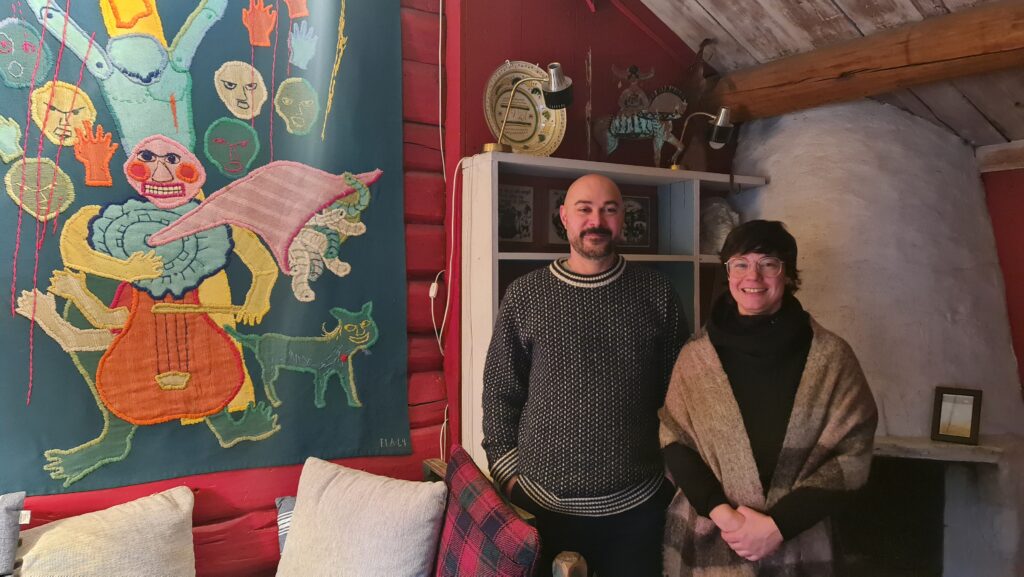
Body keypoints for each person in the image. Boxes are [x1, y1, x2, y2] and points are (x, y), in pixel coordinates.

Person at [482, 174, 686, 576]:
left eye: (609, 210)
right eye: (585, 209)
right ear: (564, 217)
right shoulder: (525, 295)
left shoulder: (658, 294)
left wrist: (670, 478)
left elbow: (678, 395)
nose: (597, 221)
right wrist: (508, 477)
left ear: (622, 219)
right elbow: (500, 391)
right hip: (541, 507)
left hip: (638, 510)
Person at [659, 220, 878, 576]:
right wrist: (725, 516)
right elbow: (674, 440)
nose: (753, 276)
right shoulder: (696, 356)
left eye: (768, 263)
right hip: (710, 541)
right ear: (728, 272)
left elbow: (853, 454)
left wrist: (778, 526)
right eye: (740, 263)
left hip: (802, 543)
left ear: (788, 274)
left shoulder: (831, 357)